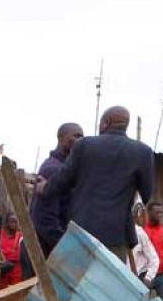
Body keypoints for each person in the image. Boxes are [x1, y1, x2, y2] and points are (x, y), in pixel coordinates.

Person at [45, 105, 154, 256]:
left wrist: (44, 187)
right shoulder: (143, 152)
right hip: (117, 235)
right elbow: (146, 194)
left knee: (77, 278)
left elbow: (62, 180)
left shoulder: (84, 145)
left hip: (82, 231)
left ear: (106, 122)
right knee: (109, 278)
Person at [30, 122, 83, 254]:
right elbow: (45, 219)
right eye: (76, 136)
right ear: (62, 138)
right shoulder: (53, 169)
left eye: (82, 137)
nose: (80, 140)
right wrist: (65, 247)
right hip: (47, 251)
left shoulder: (67, 170)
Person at [142, 201, 163, 299]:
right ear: (149, 212)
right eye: (157, 213)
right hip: (147, 274)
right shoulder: (142, 230)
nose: (160, 215)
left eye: (161, 213)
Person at [131, 203, 160, 286]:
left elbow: (154, 259)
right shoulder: (115, 231)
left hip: (136, 279)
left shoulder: (139, 233)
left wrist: (148, 278)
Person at [0, 212, 25, 287]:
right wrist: (10, 252)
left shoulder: (20, 236)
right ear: (7, 223)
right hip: (2, 270)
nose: (15, 224)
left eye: (16, 222)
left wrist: (5, 253)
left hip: (16, 270)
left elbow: (18, 255)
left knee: (16, 290)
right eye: (12, 221)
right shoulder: (0, 234)